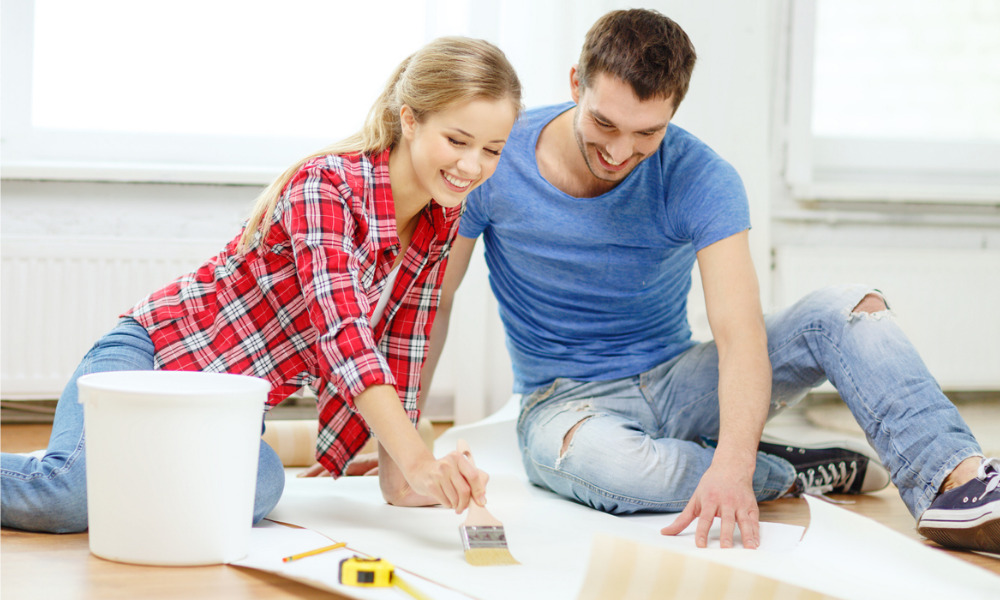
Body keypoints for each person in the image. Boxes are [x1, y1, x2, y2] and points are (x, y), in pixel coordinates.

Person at [425, 10, 997, 554]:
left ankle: (957, 487)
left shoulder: (702, 177)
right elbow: (436, 300)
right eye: (604, 123)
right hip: (565, 404)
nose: (619, 152)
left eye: (647, 132)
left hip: (678, 381)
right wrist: (406, 431)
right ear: (576, 83)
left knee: (850, 309)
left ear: (674, 111)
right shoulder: (495, 159)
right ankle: (779, 469)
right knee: (615, 472)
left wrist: (729, 464)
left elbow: (740, 333)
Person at [0, 36, 522, 533]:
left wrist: (407, 478)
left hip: (219, 415)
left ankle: (109, 469)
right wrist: (420, 461)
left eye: (493, 150)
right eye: (457, 140)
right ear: (409, 119)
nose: (472, 165)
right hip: (150, 361)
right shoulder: (327, 186)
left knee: (259, 488)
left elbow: (402, 347)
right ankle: (79, 468)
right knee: (66, 496)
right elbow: (345, 336)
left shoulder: (440, 223)